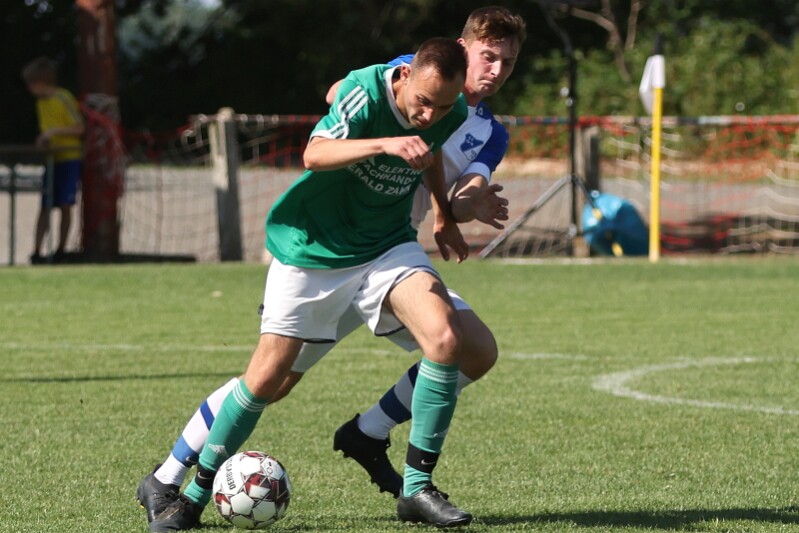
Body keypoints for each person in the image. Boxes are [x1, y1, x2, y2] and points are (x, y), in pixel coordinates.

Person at [138, 5, 525, 527]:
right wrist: (376, 124)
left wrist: (454, 209)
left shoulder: (477, 124)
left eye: (507, 62)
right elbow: (336, 107)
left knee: (462, 343)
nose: (496, 70)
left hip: (387, 248)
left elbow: (448, 173)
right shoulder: (407, 73)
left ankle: (389, 456)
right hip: (321, 252)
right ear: (459, 49)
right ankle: (170, 478)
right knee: (270, 382)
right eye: (488, 56)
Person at [21, 56, 84, 264]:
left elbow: (79, 128)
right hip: (51, 159)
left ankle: (61, 249)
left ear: (41, 83)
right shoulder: (41, 103)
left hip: (69, 158)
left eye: (30, 83)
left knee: (65, 204)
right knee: (45, 205)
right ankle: (37, 251)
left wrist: (54, 132)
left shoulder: (63, 98)